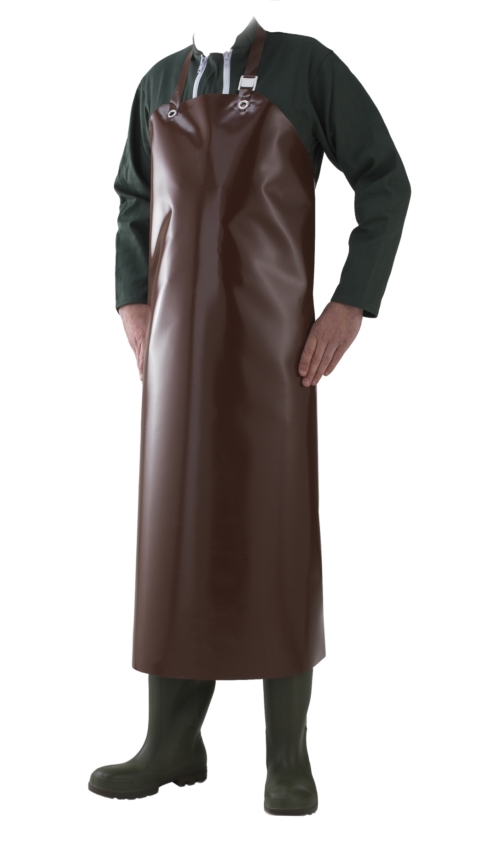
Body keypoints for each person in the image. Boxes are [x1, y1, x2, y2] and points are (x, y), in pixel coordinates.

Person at [89, 16, 411, 815]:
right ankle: (172, 742)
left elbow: (385, 180)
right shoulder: (159, 82)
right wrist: (131, 300)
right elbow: (134, 199)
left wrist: (352, 302)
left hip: (275, 349)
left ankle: (287, 754)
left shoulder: (307, 69)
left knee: (276, 532)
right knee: (174, 534)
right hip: (174, 355)